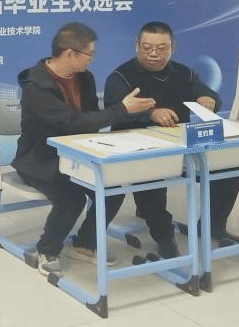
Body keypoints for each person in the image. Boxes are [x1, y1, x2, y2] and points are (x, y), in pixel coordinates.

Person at [12, 22, 156, 278]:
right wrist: (122, 110)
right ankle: (47, 250)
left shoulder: (84, 78)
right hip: (39, 160)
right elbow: (71, 122)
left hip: (76, 154)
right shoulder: (36, 86)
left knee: (112, 187)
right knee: (72, 197)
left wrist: (115, 121)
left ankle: (84, 244)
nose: (92, 59)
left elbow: (90, 119)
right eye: (89, 54)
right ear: (70, 53)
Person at [103, 21, 239, 259]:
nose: (154, 53)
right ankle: (164, 237)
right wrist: (151, 114)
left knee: (231, 165)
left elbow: (208, 93)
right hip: (138, 149)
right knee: (152, 175)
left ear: (173, 47)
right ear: (136, 46)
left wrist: (208, 99)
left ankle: (213, 225)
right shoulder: (120, 77)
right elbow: (114, 111)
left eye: (161, 48)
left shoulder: (184, 74)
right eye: (147, 47)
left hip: (181, 145)